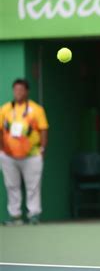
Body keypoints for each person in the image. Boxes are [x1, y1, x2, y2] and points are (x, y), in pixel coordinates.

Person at [0, 79, 49, 225]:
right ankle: (15, 216)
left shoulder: (36, 109)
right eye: (16, 90)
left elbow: (44, 129)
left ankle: (34, 214)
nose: (18, 92)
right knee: (11, 185)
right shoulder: (5, 109)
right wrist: (2, 149)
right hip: (9, 155)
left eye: (21, 90)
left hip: (32, 155)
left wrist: (42, 149)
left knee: (33, 186)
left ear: (27, 91)